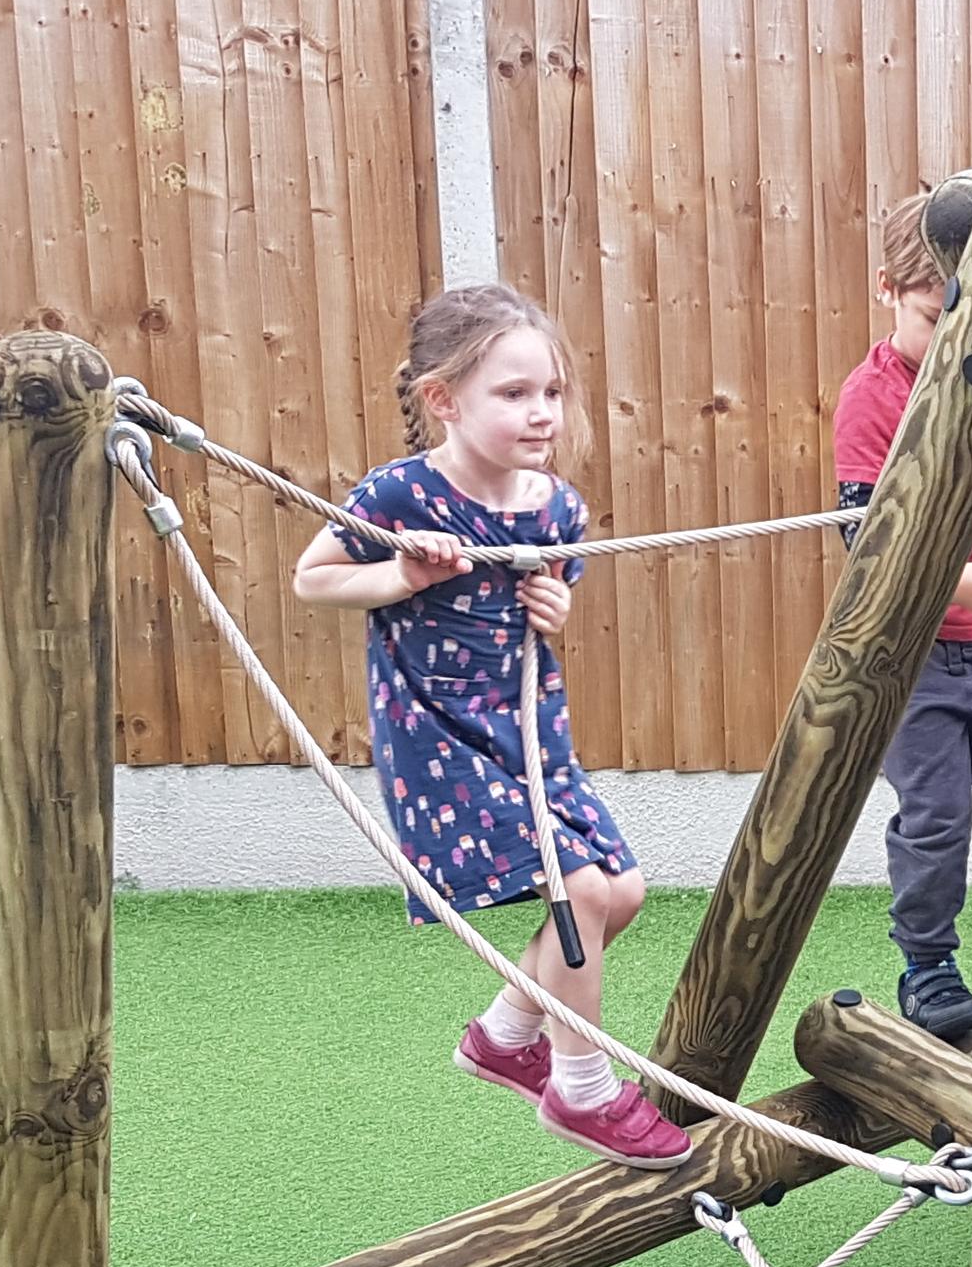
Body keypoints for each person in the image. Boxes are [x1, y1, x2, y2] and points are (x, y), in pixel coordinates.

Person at [291, 283, 685, 1170]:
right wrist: (402, 577)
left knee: (621, 891)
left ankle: (507, 1033)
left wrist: (554, 605)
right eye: (513, 394)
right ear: (444, 400)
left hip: (529, 732)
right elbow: (312, 580)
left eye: (549, 392)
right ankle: (582, 1089)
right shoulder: (401, 495)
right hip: (437, 734)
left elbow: (551, 597)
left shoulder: (557, 509)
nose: (541, 412)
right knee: (578, 893)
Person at [837, 192, 972, 1045]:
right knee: (935, 820)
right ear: (890, 292)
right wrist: (962, 585)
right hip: (917, 659)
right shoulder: (873, 395)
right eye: (934, 318)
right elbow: (863, 535)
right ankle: (927, 966)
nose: (950, 340)